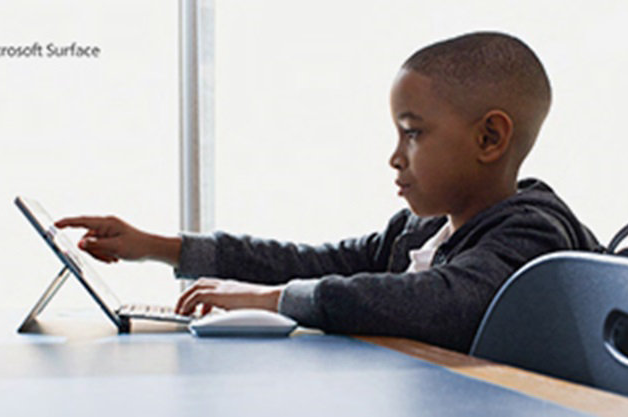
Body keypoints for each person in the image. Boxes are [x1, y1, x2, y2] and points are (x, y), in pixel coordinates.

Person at [56, 31, 600, 353]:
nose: (395, 156)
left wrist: (268, 301)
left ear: (489, 138)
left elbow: (439, 303)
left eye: (412, 133)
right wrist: (158, 246)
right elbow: (318, 261)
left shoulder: (530, 233)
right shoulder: (424, 229)